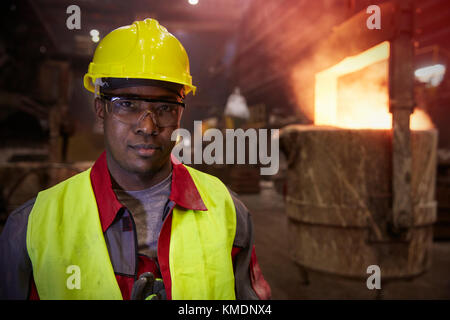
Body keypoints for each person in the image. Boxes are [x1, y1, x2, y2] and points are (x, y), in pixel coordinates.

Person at [0, 18, 271, 300]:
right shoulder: (31, 229)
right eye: (127, 105)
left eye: (165, 107)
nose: (148, 126)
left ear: (181, 113)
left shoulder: (229, 213)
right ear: (100, 109)